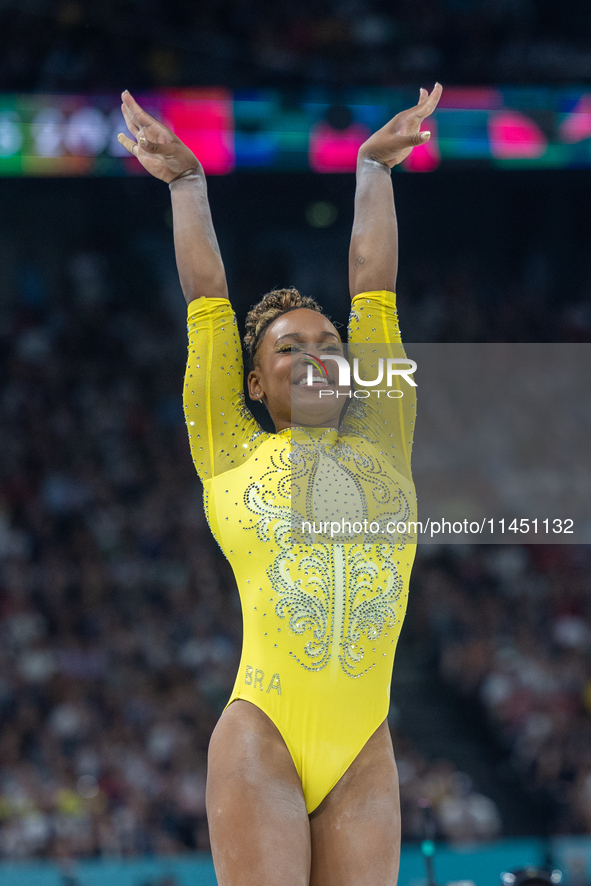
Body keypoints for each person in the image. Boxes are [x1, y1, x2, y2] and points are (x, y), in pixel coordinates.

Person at [118, 82, 442, 886]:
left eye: (327, 343)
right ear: (254, 385)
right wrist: (187, 185)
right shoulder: (231, 452)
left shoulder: (384, 440)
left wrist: (373, 169)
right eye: (289, 349)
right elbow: (206, 302)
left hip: (364, 742)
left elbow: (375, 288)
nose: (316, 355)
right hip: (261, 733)